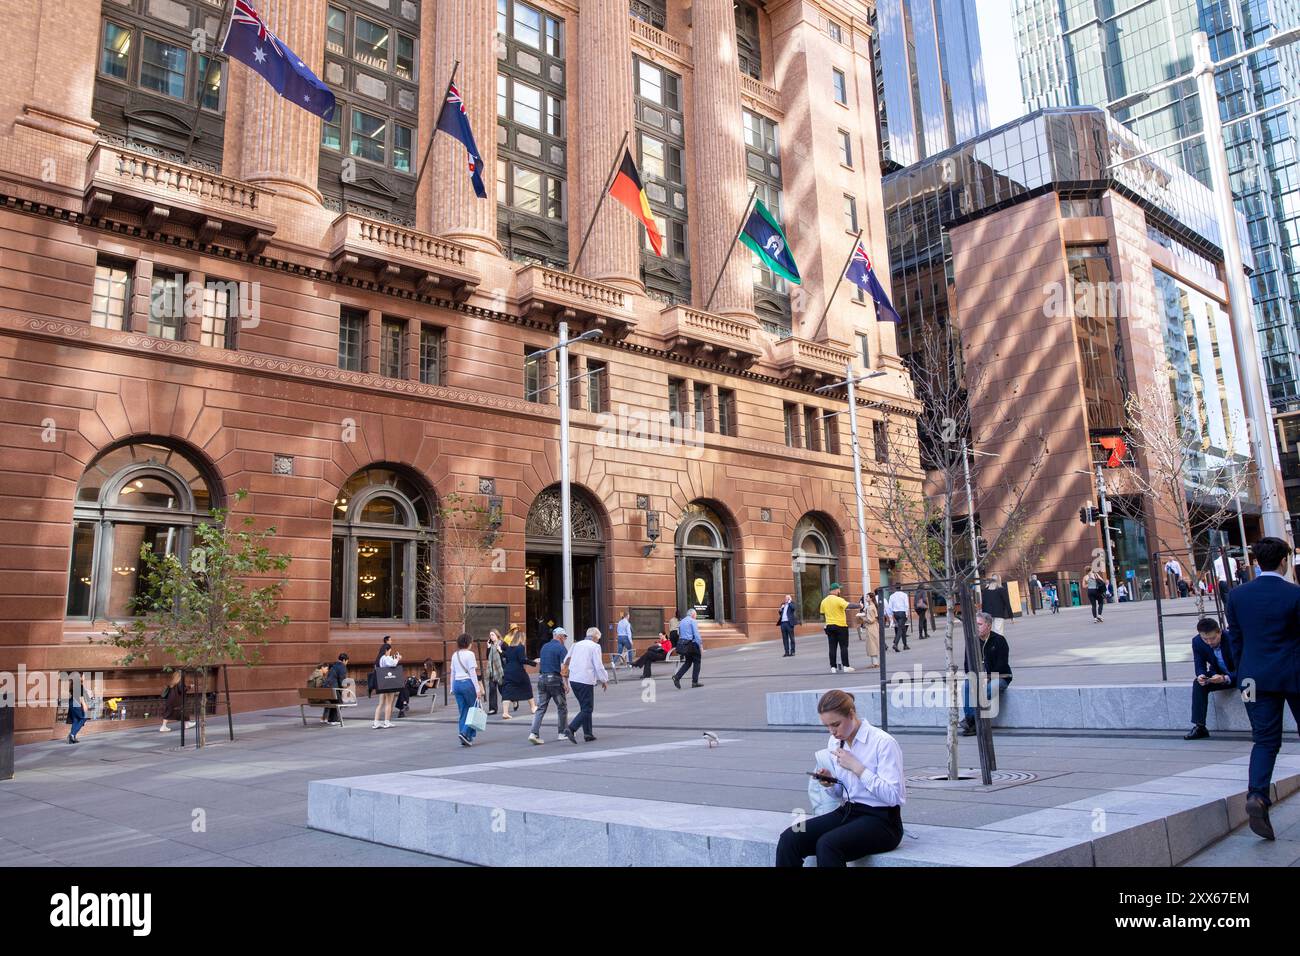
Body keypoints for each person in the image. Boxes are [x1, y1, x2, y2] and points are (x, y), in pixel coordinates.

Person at [774, 689, 905, 868]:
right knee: (790, 838)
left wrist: (857, 768)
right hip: (848, 812)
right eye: (827, 726)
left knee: (828, 845)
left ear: (851, 714)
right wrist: (829, 783)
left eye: (836, 724)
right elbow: (841, 794)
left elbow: (893, 797)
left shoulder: (883, 742)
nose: (832, 731)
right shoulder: (835, 742)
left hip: (883, 821)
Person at [1225, 536, 1300, 840]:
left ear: (1256, 561)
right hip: (1294, 675)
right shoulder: (1295, 595)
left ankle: (1257, 796)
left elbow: (1235, 639)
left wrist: (1240, 673)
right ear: (1283, 561)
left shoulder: (1237, 596)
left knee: (1264, 740)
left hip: (1251, 680)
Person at [959, 612, 1012, 736]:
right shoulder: (972, 642)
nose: (976, 627)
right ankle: (973, 721)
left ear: (988, 626)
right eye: (975, 624)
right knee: (966, 686)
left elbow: (1002, 665)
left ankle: (971, 721)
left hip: (1000, 677)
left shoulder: (999, 640)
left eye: (979, 624)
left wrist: (987, 678)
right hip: (978, 679)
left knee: (987, 689)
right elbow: (967, 665)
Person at [1184, 617, 1236, 740]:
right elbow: (1199, 663)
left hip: (1241, 675)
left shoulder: (1232, 639)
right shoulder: (1197, 642)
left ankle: (1257, 726)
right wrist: (1201, 675)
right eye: (1205, 639)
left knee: (1249, 684)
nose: (1209, 642)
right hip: (1217, 675)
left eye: (1213, 638)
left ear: (1220, 632)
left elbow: (1246, 666)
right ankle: (1200, 726)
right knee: (1198, 683)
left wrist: (1225, 678)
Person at [562, 627, 609, 744]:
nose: (598, 641)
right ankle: (571, 728)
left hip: (574, 679)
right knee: (588, 708)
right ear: (595, 637)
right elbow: (598, 665)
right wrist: (604, 679)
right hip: (585, 679)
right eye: (598, 639)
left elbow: (566, 659)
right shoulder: (595, 647)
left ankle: (588, 734)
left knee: (584, 707)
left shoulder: (576, 644)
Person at [529, 626, 570, 745]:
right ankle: (562, 732)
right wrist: (565, 683)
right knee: (562, 707)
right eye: (565, 637)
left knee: (541, 708)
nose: (565, 639)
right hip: (555, 680)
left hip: (542, 679)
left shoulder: (544, 647)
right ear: (560, 636)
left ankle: (533, 733)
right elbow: (564, 668)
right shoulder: (561, 648)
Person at [450, 633, 484, 747]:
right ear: (469, 643)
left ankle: (464, 736)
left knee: (463, 711)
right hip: (467, 683)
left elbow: (452, 673)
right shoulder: (470, 654)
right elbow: (472, 673)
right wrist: (477, 688)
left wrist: (451, 687)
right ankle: (465, 733)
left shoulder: (455, 655)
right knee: (473, 709)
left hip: (457, 684)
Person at [499, 626, 537, 719]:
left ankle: (505, 712)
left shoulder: (509, 648)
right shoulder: (520, 647)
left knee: (507, 691)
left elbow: (505, 657)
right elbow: (522, 660)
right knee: (527, 687)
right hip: (518, 671)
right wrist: (534, 662)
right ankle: (533, 707)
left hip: (508, 671)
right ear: (521, 638)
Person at [820, 583, 856, 675]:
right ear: (835, 590)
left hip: (829, 626)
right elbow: (848, 606)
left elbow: (822, 613)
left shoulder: (824, 601)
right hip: (841, 625)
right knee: (843, 646)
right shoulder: (839, 599)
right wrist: (860, 606)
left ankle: (833, 667)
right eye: (839, 589)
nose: (840, 591)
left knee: (832, 647)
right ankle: (846, 666)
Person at [672, 609, 704, 688]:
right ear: (693, 614)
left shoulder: (682, 621)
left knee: (688, 662)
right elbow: (696, 634)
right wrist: (700, 645)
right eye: (695, 615)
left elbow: (679, 633)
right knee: (697, 662)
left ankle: (677, 677)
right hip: (692, 644)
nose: (696, 616)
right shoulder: (692, 621)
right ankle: (694, 682)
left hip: (685, 645)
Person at [372, 645, 401, 729]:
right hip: (389, 682)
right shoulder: (386, 657)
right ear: (386, 650)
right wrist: (397, 658)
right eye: (389, 651)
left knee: (380, 703)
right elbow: (393, 664)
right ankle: (387, 722)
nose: (389, 652)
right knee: (389, 703)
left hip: (382, 683)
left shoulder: (380, 659)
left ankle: (376, 722)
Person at [323, 653, 348, 726]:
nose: (346, 663)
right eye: (346, 661)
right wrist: (343, 688)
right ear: (344, 660)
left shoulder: (333, 665)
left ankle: (330, 719)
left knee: (334, 701)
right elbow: (342, 680)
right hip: (333, 688)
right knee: (339, 702)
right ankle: (333, 719)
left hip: (327, 688)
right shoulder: (342, 666)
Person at [485, 630, 505, 716]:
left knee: (502, 689)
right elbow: (487, 657)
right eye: (490, 635)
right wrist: (488, 647)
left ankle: (512, 699)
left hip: (501, 671)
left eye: (493, 635)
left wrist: (500, 650)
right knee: (492, 689)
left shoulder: (502, 644)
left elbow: (506, 655)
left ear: (497, 635)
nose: (491, 637)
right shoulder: (491, 646)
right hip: (492, 671)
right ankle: (493, 709)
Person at [66, 677, 89, 744]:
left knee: (76, 720)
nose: (84, 677)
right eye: (83, 676)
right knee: (84, 717)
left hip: (72, 702)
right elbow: (80, 696)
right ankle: (72, 735)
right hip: (76, 703)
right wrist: (84, 705)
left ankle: (72, 738)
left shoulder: (73, 685)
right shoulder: (79, 685)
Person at [887, 587, 911, 652]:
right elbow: (906, 605)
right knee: (900, 629)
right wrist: (906, 613)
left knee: (902, 628)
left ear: (895, 588)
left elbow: (889, 607)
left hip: (896, 613)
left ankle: (905, 645)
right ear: (901, 587)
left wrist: (891, 616)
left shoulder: (892, 596)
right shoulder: (904, 595)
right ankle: (895, 644)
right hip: (902, 612)